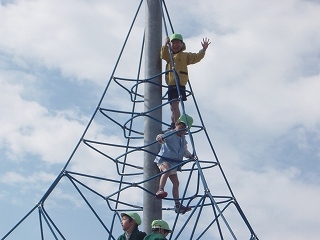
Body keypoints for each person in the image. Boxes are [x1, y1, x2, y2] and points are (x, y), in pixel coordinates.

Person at [160, 33, 211, 129]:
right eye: (173, 43)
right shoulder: (169, 56)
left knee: (175, 105)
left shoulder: (184, 56)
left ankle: (176, 125)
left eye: (178, 43)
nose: (175, 45)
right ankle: (173, 124)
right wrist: (165, 44)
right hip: (171, 84)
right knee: (172, 107)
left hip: (179, 84)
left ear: (182, 45)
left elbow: (196, 57)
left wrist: (203, 50)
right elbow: (163, 55)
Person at [154, 114, 194, 214]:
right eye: (180, 128)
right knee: (166, 170)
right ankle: (160, 190)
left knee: (176, 183)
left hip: (174, 164)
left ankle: (177, 205)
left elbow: (184, 151)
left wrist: (191, 156)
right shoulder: (171, 133)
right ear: (176, 125)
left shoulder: (183, 140)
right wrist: (160, 138)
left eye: (184, 130)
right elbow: (162, 137)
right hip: (164, 160)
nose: (182, 131)